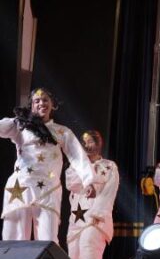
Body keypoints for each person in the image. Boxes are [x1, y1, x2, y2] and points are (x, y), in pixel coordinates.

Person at [2, 88, 94, 242]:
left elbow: (77, 155)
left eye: (45, 100)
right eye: (36, 101)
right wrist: (17, 120)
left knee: (47, 240)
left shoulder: (62, 131)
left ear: (52, 105)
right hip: (20, 187)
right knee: (15, 239)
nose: (41, 103)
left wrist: (88, 180)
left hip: (48, 190)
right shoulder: (21, 127)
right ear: (31, 105)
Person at [65, 130, 119, 259]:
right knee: (74, 253)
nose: (87, 145)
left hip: (96, 216)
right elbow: (71, 184)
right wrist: (86, 172)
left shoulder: (109, 166)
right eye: (84, 142)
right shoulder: (76, 165)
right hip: (77, 217)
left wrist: (98, 213)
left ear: (99, 143)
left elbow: (109, 192)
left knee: (88, 247)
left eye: (91, 141)